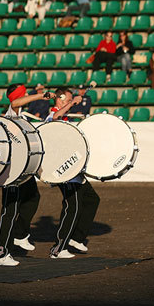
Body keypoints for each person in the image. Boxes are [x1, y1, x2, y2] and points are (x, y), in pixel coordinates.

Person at [0, 84, 49, 267]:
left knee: (32, 198)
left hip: (22, 170)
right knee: (9, 211)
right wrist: (39, 96)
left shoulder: (20, 116)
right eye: (25, 94)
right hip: (12, 172)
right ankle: (1, 252)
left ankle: (20, 234)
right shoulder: (12, 114)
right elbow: (15, 101)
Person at [45, 87, 100, 258]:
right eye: (67, 100)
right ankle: (59, 248)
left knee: (92, 200)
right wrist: (72, 103)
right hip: (64, 170)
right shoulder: (52, 115)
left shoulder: (66, 116)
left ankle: (76, 238)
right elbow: (55, 118)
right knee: (73, 206)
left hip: (75, 169)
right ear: (59, 100)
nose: (70, 103)